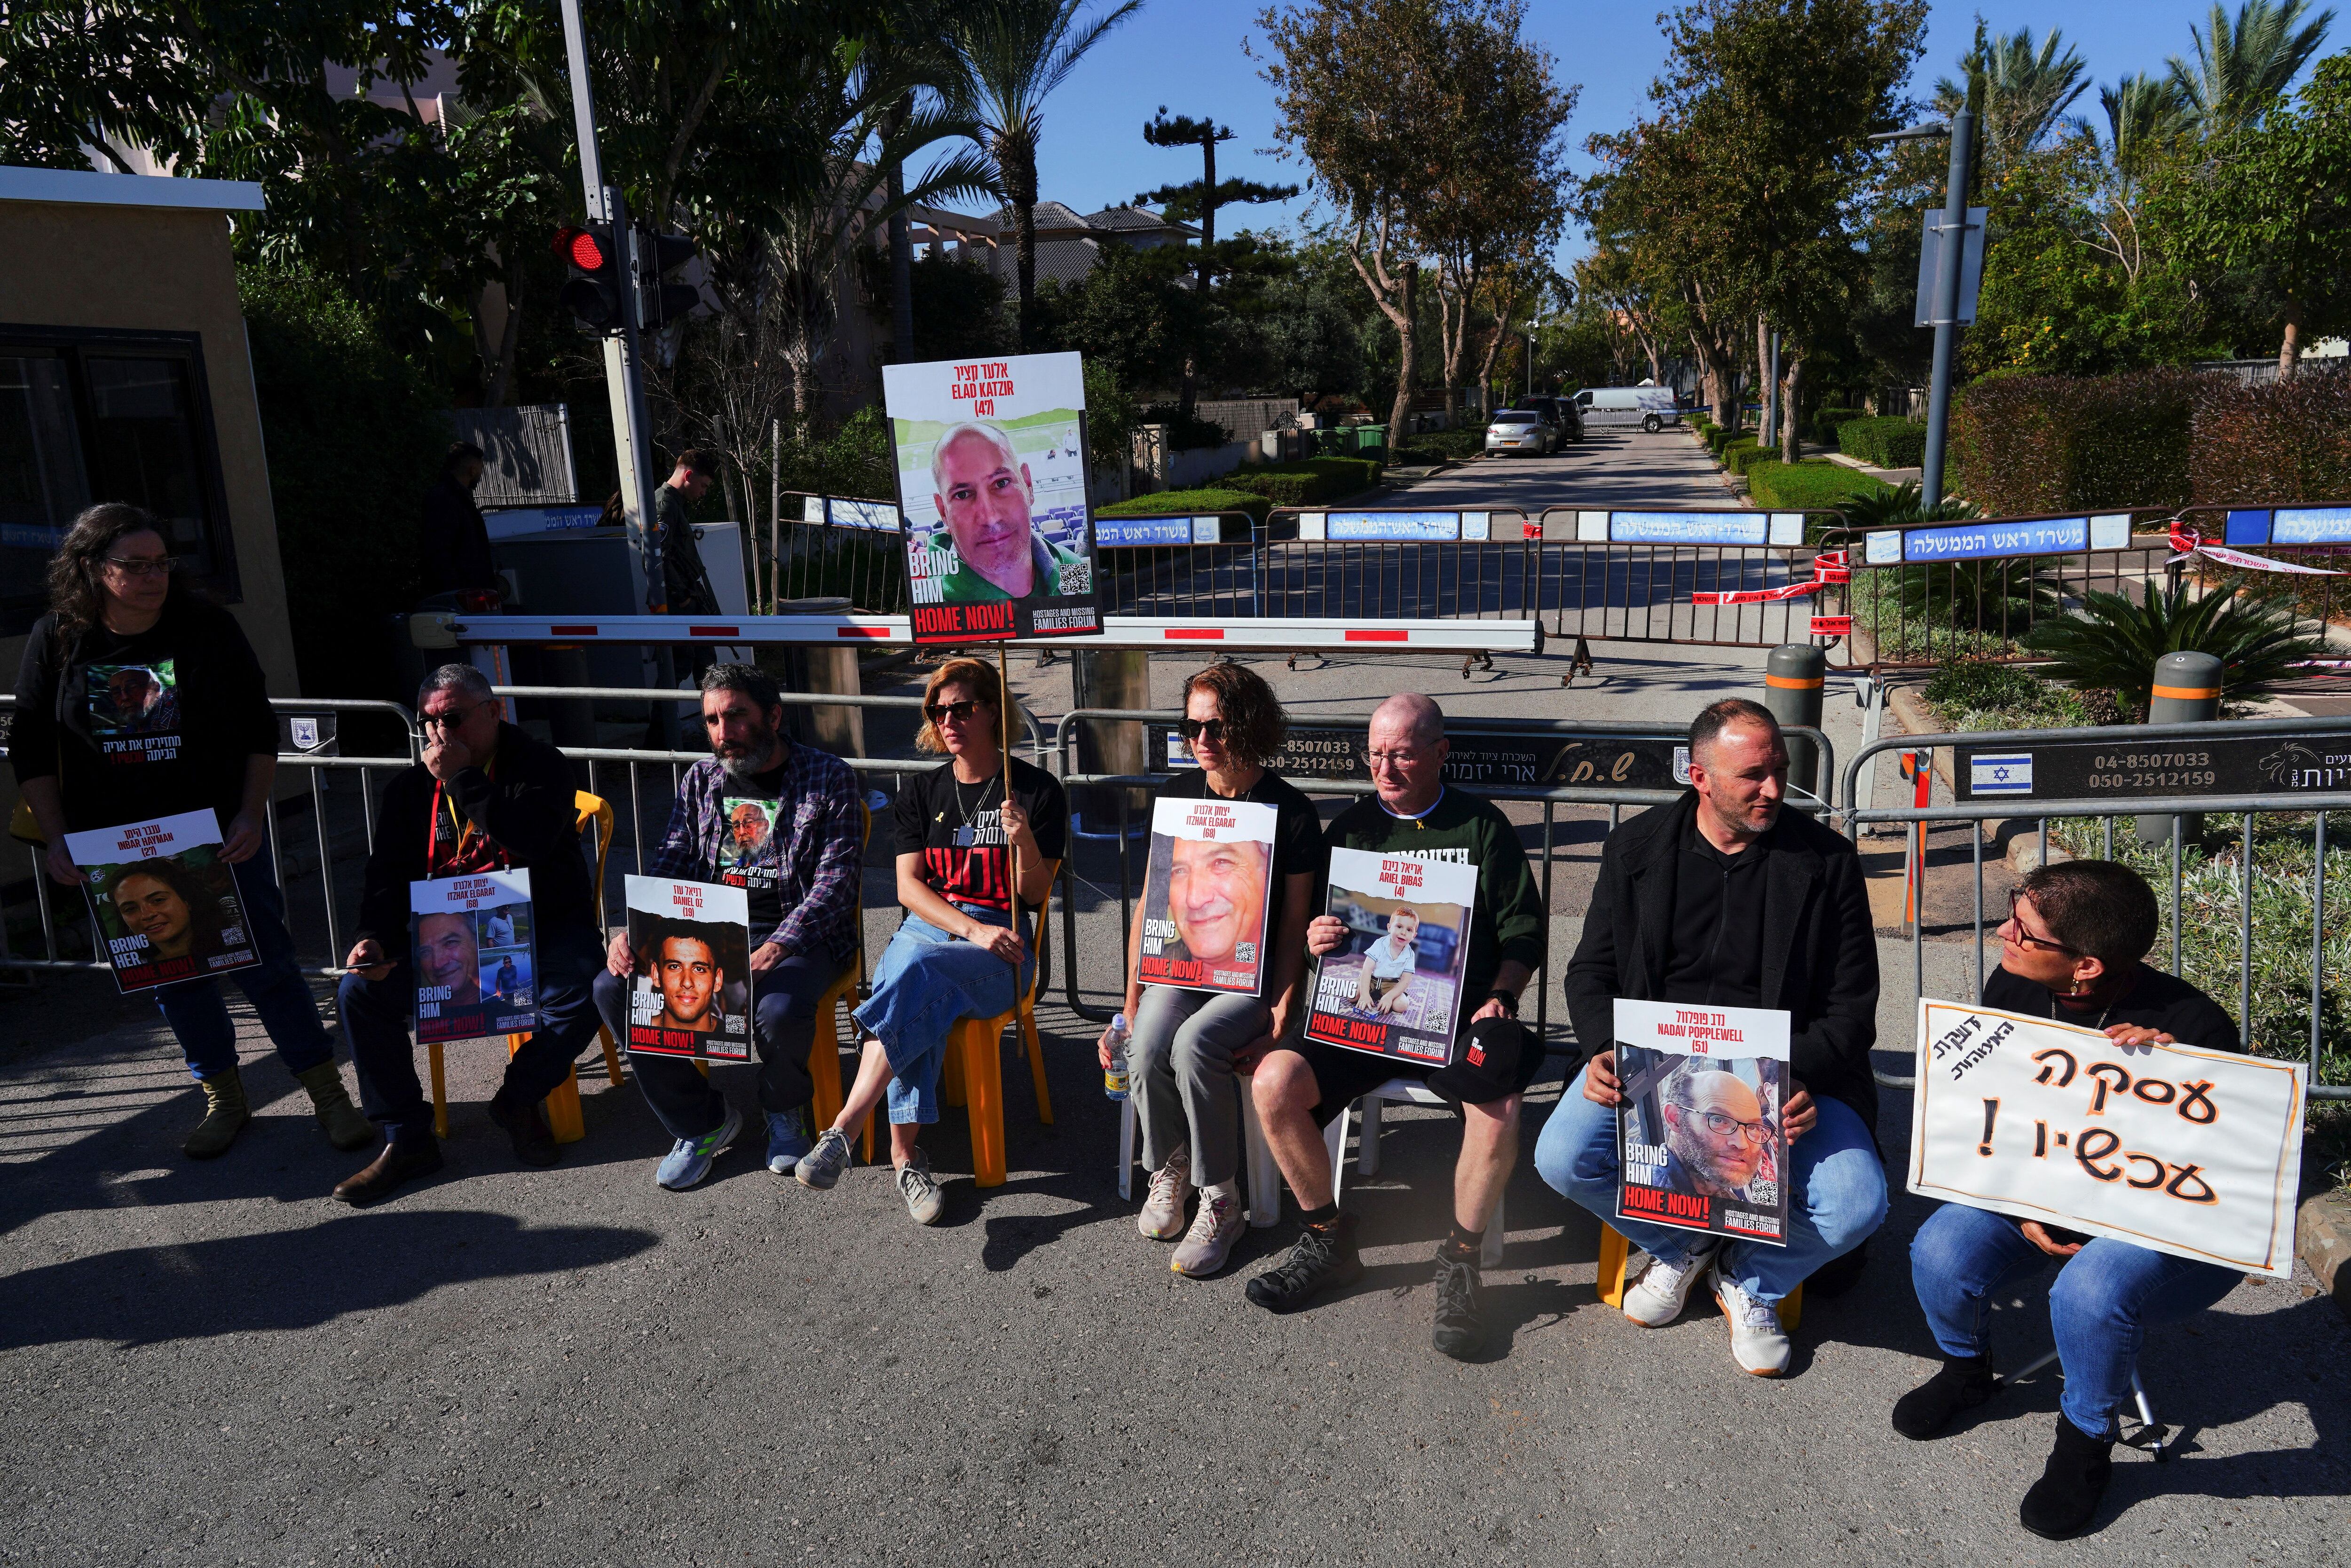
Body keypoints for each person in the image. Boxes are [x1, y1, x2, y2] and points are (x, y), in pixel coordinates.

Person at [1893, 860, 2247, 1540]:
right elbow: (1987, 1120)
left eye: (2024, 930)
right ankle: (1966, 1368)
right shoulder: (2015, 983)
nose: (2003, 932)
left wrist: (2177, 1080)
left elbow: (2214, 1179)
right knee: (1940, 1246)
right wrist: (2025, 1207)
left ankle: (2086, 1440)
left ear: (2085, 965)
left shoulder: (2193, 1024)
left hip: (2159, 1227)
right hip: (2038, 1198)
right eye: (2012, 913)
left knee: (2087, 1290)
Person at [1537, 698, 1886, 1378]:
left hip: (1786, 1077)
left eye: (1780, 769)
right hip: (1656, 1069)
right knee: (1561, 1158)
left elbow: (1852, 1008)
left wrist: (1795, 1077)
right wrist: (1600, 1047)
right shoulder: (1635, 848)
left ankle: (1749, 1277)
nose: (1776, 790)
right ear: (1699, 775)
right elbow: (1592, 969)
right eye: (1753, 774)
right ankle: (1682, 1242)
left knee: (1856, 1206)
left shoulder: (1827, 862)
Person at [13, 503, 371, 1160]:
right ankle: (225, 1100)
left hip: (214, 836)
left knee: (268, 966)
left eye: (161, 564)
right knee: (173, 976)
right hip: (113, 848)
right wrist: (60, 838)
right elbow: (32, 746)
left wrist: (250, 813)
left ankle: (329, 1096)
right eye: (135, 565)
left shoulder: (207, 628)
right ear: (93, 568)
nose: (154, 577)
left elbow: (257, 728)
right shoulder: (60, 637)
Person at [1246, 693, 1546, 1358]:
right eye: (1377, 752)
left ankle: (1462, 1258)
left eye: (1404, 751)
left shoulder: (1482, 827)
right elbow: (1309, 928)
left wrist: (1500, 994)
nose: (1387, 765)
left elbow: (1525, 929)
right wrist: (1316, 938)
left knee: (1498, 1100)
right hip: (1358, 1014)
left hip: (1449, 1017)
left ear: (1441, 752)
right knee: (1274, 1082)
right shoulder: (1349, 830)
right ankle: (1328, 1237)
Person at [793, 657, 1064, 1224]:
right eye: (937, 711)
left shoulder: (1035, 790)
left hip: (1005, 946)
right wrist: (970, 928)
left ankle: (848, 1127)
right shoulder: (921, 791)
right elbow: (907, 887)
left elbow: (1035, 895)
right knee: (918, 968)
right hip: (939, 929)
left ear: (992, 710)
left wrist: (1026, 844)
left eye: (962, 708)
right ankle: (902, 1154)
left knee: (910, 971)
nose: (949, 720)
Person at [331, 664, 607, 1204]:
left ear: (493, 712)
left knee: (588, 988)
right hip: (447, 932)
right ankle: (406, 1137)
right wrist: (373, 937)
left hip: (541, 924)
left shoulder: (540, 765)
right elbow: (386, 875)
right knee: (360, 990)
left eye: (453, 717)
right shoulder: (411, 789)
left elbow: (530, 839)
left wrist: (462, 779)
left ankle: (517, 1099)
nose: (439, 732)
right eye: (429, 721)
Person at [590, 663, 863, 1190]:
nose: (723, 732)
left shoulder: (829, 776)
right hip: (710, 931)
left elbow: (837, 882)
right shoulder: (701, 780)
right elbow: (672, 863)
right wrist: (635, 930)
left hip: (799, 930)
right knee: (612, 986)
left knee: (778, 1008)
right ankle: (702, 1122)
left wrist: (780, 944)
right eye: (713, 719)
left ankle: (783, 1109)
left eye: (736, 715)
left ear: (774, 715)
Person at [1104, 662, 1323, 1279]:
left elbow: (1291, 931)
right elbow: (1151, 909)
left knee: (1195, 1042)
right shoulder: (1175, 795)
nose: (1202, 739)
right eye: (1191, 725)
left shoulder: (1292, 811)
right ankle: (1171, 1166)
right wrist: (1128, 1003)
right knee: (1148, 1039)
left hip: (1250, 979)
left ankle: (1222, 1196)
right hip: (1181, 966)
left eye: (1216, 726)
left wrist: (1282, 1018)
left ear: (1249, 726)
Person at [915, 421, 1087, 604]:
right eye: (963, 495)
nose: (990, 517)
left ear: (1028, 486)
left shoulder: (1071, 565)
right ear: (943, 512)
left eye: (1001, 483)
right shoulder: (930, 607)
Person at [106, 860, 227, 966]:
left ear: (187, 901)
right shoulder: (142, 969)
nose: (147, 915)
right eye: (130, 909)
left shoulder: (232, 949)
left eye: (158, 900)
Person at [418, 442, 497, 598]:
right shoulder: (446, 498)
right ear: (472, 470)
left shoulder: (454, 496)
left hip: (464, 591)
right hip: (458, 594)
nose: (482, 473)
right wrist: (457, 592)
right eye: (481, 468)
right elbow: (440, 551)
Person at [654, 450, 723, 615]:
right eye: (703, 485)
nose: (703, 493)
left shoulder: (675, 503)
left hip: (685, 593)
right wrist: (684, 599)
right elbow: (658, 556)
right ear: (689, 476)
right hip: (677, 600)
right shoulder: (665, 505)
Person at [646, 928, 725, 1034]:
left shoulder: (735, 1038)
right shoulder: (634, 1033)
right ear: (656, 975)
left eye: (699, 969)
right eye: (674, 967)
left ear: (718, 980)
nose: (687, 983)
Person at [1352, 906, 1420, 1015]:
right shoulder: (1380, 944)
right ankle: (1369, 993)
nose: (1403, 933)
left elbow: (1405, 981)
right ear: (1389, 928)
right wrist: (1364, 995)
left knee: (1401, 1006)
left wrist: (1390, 997)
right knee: (1353, 995)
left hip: (1391, 984)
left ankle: (1384, 998)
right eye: (1399, 927)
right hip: (1372, 979)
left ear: (1414, 936)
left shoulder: (1410, 954)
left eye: (1409, 930)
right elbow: (1367, 969)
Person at [415, 910, 482, 1009]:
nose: (438, 964)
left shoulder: (505, 1003)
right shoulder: (417, 1009)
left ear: (477, 943)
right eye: (425, 952)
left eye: (450, 943)